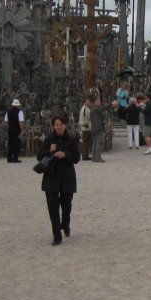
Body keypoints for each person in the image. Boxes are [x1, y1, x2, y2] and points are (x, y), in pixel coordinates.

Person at [37, 112, 80, 245]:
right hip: (51, 177)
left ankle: (65, 223)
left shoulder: (72, 139)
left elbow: (77, 158)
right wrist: (49, 151)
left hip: (67, 177)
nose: (59, 127)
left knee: (66, 206)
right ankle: (57, 236)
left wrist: (65, 154)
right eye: (56, 125)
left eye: (61, 124)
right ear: (53, 126)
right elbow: (39, 156)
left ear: (65, 125)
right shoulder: (49, 140)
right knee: (53, 209)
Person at [4, 98, 26, 163]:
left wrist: (10, 125)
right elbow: (21, 122)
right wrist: (21, 130)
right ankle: (15, 158)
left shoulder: (8, 112)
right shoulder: (20, 112)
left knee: (10, 143)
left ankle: (9, 157)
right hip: (16, 129)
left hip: (10, 128)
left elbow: (6, 121)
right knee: (17, 143)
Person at [89, 97, 109, 163]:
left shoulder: (93, 109)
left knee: (94, 144)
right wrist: (111, 104)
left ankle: (94, 158)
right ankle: (98, 158)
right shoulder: (96, 109)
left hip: (94, 129)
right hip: (98, 129)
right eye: (98, 101)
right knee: (100, 143)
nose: (100, 103)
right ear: (95, 102)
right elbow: (103, 108)